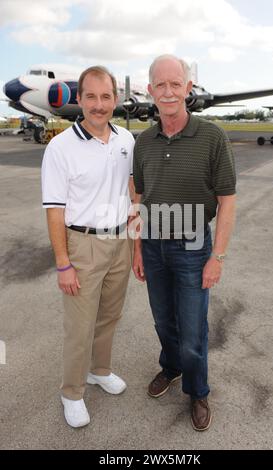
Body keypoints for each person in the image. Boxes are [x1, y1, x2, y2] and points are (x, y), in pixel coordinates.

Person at [132, 55, 236, 431]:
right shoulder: (143, 142)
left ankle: (198, 390)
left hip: (194, 245)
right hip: (154, 243)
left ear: (188, 89)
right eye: (160, 85)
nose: (168, 91)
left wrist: (217, 256)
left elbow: (227, 200)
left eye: (176, 84)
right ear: (150, 91)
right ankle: (171, 368)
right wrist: (138, 247)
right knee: (163, 321)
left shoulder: (212, 137)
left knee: (193, 330)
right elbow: (138, 197)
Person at [41, 66, 135, 428]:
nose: (99, 104)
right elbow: (54, 209)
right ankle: (72, 392)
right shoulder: (60, 147)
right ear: (78, 99)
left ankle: (100, 370)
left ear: (116, 99)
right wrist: (63, 263)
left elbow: (132, 190)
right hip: (81, 244)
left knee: (110, 316)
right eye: (91, 97)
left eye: (106, 96)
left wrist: (135, 236)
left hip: (119, 240)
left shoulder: (127, 139)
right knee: (80, 325)